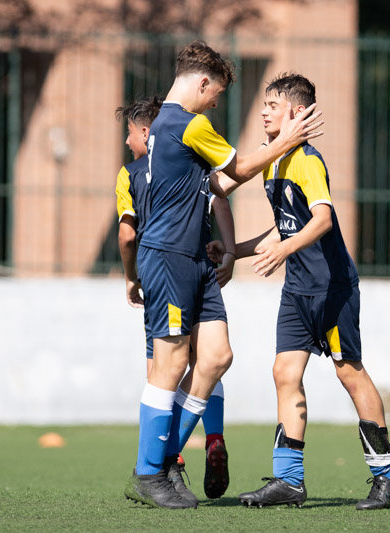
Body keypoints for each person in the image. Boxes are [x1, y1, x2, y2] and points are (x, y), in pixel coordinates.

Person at [124, 41, 323, 510]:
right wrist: (286, 140)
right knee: (171, 364)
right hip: (170, 257)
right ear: (202, 83)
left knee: (215, 357)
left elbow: (216, 183)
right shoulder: (188, 122)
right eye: (216, 94)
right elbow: (240, 168)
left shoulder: (166, 126)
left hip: (195, 259)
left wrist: (230, 248)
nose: (216, 103)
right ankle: (149, 472)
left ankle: (164, 459)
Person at [207, 73, 390, 510]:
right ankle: (289, 480)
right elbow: (285, 226)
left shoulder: (307, 161)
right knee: (284, 372)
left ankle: (387, 473)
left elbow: (322, 220)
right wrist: (234, 251)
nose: (264, 112)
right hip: (297, 291)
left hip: (331, 289)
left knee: (349, 373)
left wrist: (283, 249)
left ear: (297, 113)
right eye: (264, 105)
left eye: (273, 105)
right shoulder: (273, 161)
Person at [114, 96, 235, 501]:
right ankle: (210, 438)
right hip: (202, 266)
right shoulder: (194, 161)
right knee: (208, 361)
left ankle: (161, 466)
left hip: (165, 271)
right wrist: (230, 250)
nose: (127, 142)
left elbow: (127, 234)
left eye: (129, 133)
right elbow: (221, 197)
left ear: (146, 132)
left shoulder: (130, 173)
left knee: (163, 370)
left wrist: (131, 277)